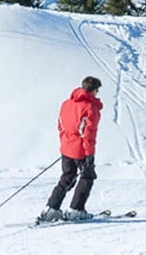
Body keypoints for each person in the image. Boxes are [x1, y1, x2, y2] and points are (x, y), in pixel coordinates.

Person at [38, 76, 104, 223]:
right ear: (92, 91)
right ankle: (76, 209)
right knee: (87, 176)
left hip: (66, 147)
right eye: (97, 91)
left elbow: (60, 125)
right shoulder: (90, 108)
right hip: (81, 150)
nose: (97, 93)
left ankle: (51, 209)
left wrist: (66, 143)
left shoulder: (66, 104)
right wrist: (89, 155)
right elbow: (88, 134)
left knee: (67, 177)